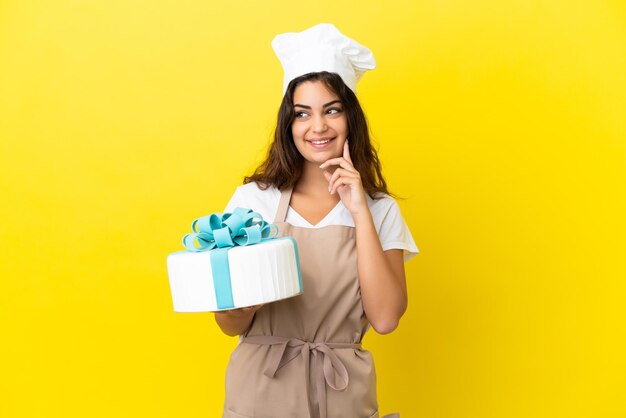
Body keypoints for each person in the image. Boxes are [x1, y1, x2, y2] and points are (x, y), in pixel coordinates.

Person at [215, 23, 419, 418]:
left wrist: (359, 211)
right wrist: (242, 304)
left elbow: (386, 318)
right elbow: (229, 325)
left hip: (342, 393)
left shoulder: (379, 210)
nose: (318, 127)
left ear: (350, 117)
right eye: (302, 114)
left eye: (332, 110)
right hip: (261, 391)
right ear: (288, 125)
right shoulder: (254, 201)